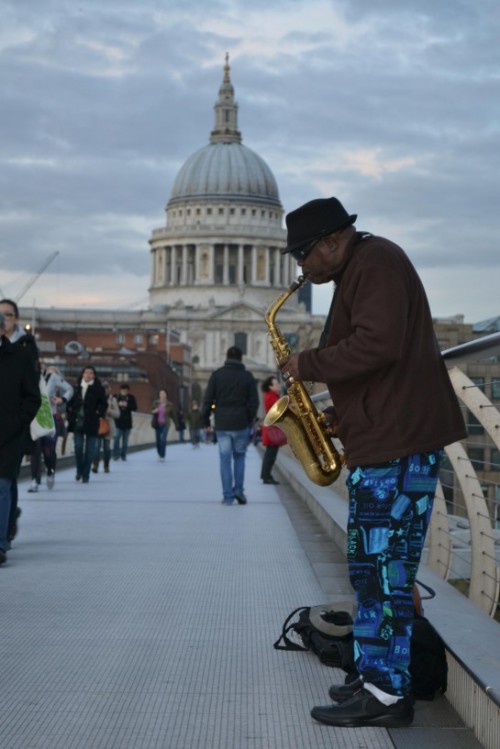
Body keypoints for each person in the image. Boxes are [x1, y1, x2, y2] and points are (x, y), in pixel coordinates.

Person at [278, 196, 467, 728]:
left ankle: (386, 695)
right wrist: (342, 415)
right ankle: (376, 674)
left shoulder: (377, 264)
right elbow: (385, 365)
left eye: (303, 254)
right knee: (373, 570)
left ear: (332, 241)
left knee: (383, 572)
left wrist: (306, 364)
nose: (301, 268)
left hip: (398, 446)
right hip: (387, 438)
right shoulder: (360, 269)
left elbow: (378, 345)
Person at [0, 311, 40, 565]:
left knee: (2, 487)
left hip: (8, 434)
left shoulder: (20, 356)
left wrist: (18, 422)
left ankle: (0, 543)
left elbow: (32, 397)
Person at [202, 346, 259, 505]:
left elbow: (207, 401)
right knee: (240, 457)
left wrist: (206, 421)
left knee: (225, 459)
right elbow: (254, 402)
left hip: (222, 424)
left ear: (226, 357)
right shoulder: (248, 377)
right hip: (241, 424)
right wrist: (248, 418)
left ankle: (227, 497)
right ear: (241, 359)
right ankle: (239, 491)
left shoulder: (217, 375)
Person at [28, 365, 74, 492]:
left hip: (49, 418)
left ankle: (50, 471)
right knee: (35, 449)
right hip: (34, 419)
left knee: (48, 450)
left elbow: (70, 389)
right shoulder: (27, 378)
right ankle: (34, 481)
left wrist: (62, 399)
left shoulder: (53, 378)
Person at [66, 366, 107, 483]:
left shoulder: (99, 389)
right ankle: (79, 470)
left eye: (91, 373)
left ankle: (86, 474)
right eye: (86, 372)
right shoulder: (76, 388)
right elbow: (70, 403)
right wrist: (69, 414)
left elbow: (104, 404)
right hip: (77, 421)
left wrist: (98, 412)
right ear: (83, 374)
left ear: (94, 375)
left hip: (92, 422)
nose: (88, 375)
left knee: (91, 450)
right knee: (78, 448)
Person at [260, 375, 283, 485]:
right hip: (273, 429)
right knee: (270, 455)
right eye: (276, 384)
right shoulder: (272, 396)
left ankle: (266, 475)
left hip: (272, 428)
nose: (278, 385)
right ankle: (266, 476)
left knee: (270, 454)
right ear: (270, 387)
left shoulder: (272, 395)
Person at [92, 381, 120, 473]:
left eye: (107, 388)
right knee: (96, 447)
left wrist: (109, 411)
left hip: (108, 426)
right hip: (97, 425)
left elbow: (118, 414)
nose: (105, 390)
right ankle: (95, 465)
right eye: (104, 388)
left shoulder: (113, 400)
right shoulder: (96, 398)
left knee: (107, 448)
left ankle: (106, 465)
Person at [151, 389, 177, 462]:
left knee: (163, 439)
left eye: (164, 394)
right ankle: (159, 453)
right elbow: (151, 411)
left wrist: (176, 424)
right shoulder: (155, 403)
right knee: (158, 440)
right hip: (157, 424)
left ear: (166, 395)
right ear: (159, 395)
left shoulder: (169, 404)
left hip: (165, 424)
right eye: (161, 394)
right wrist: (154, 411)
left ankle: (163, 455)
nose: (162, 395)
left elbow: (173, 415)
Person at [113, 383, 137, 461]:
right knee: (116, 438)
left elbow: (135, 408)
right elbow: (111, 406)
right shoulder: (116, 397)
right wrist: (118, 404)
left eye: (126, 390)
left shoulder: (131, 398)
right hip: (117, 422)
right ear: (120, 390)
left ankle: (123, 455)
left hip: (127, 422)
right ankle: (116, 454)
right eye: (123, 390)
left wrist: (127, 405)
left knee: (125, 440)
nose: (124, 391)